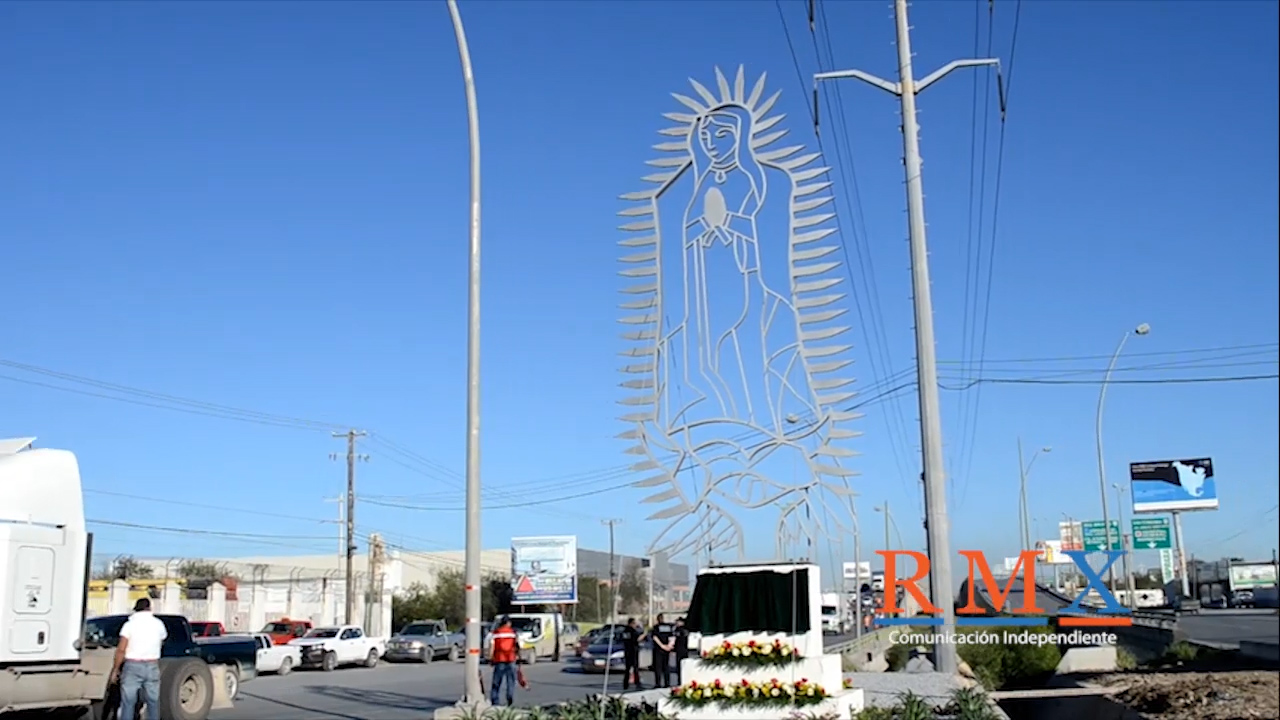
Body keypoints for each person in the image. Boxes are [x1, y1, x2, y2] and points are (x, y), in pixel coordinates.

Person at [111, 598, 168, 720]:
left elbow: (121, 649)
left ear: (136, 609)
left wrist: (116, 669)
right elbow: (162, 640)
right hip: (152, 665)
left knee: (128, 702)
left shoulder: (129, 625)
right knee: (153, 702)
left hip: (132, 665)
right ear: (149, 608)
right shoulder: (158, 624)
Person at [486, 616, 518, 706]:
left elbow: (492, 647)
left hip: (499, 659)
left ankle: (495, 700)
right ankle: (509, 696)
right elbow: (516, 645)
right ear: (508, 623)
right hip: (511, 659)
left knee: (497, 681)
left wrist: (491, 658)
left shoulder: (496, 633)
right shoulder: (512, 633)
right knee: (510, 680)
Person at [649, 613, 675, 688]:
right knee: (666, 666)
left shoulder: (656, 627)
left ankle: (658, 683)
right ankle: (667, 683)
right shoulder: (668, 627)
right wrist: (669, 646)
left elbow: (655, 637)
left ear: (657, 619)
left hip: (658, 649)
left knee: (658, 668)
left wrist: (662, 646)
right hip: (667, 649)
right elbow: (672, 637)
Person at [619, 618, 644, 690]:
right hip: (633, 651)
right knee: (635, 668)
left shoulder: (624, 631)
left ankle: (625, 684)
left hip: (627, 651)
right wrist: (644, 634)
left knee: (627, 669)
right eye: (635, 623)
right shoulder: (632, 631)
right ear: (631, 623)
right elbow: (637, 639)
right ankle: (637, 683)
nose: (636, 625)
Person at [672, 617, 690, 685]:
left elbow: (675, 639)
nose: (677, 623)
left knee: (679, 666)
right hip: (685, 649)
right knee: (684, 666)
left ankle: (680, 681)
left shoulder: (678, 629)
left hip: (680, 649)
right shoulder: (686, 629)